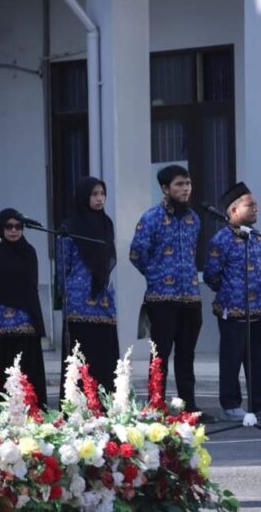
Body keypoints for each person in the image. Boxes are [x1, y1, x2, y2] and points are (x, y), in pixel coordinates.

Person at [129, 165, 209, 418]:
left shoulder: (193, 218)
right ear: (165, 188)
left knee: (186, 355)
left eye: (188, 184)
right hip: (162, 299)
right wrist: (156, 276)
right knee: (160, 356)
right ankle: (156, 407)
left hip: (191, 298)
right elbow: (136, 253)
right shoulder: (151, 217)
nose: (185, 189)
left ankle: (189, 407)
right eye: (179, 185)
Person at [0, 208, 48, 407]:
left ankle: (30, 413)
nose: (14, 230)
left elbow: (31, 288)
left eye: (18, 226)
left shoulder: (28, 252)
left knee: (25, 372)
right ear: (0, 227)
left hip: (24, 324)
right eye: (9, 226)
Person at [203, 182, 261, 421]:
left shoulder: (256, 237)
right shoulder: (221, 239)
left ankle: (257, 405)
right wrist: (231, 292)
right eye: (250, 205)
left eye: (256, 205)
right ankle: (231, 404)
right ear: (234, 210)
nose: (256, 209)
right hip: (232, 311)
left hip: (257, 311)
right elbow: (211, 275)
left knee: (257, 360)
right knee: (232, 359)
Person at [57, 176, 119, 396]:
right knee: (81, 353)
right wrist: (63, 294)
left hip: (103, 297)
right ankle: (78, 402)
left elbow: (108, 258)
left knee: (104, 352)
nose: (100, 198)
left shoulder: (106, 223)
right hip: (78, 300)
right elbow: (63, 266)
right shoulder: (69, 227)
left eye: (102, 193)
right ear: (84, 197)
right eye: (94, 194)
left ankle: (105, 401)